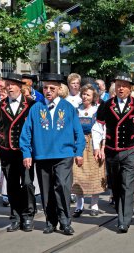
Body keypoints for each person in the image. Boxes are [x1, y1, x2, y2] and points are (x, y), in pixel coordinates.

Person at [20, 73, 85, 235]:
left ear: (59, 89)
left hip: (64, 155)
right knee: (46, 190)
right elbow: (26, 132)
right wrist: (26, 153)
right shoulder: (36, 108)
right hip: (42, 155)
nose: (48, 91)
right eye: (45, 88)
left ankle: (65, 221)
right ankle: (51, 221)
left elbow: (78, 132)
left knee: (62, 186)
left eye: (52, 88)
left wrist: (78, 151)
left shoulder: (68, 108)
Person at [92, 73, 134, 233]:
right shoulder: (106, 105)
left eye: (124, 85)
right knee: (115, 185)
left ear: (130, 88)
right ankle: (120, 211)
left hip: (130, 150)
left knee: (127, 184)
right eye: (118, 85)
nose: (121, 88)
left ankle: (124, 220)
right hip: (111, 151)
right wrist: (97, 146)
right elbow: (98, 127)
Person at [0, 73, 36, 232]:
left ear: (20, 87)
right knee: (12, 185)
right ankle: (15, 216)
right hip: (6, 152)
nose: (9, 87)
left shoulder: (32, 105)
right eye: (7, 84)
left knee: (28, 183)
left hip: (26, 153)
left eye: (12, 85)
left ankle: (28, 216)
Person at [72, 84, 106, 218]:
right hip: (79, 145)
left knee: (94, 175)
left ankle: (94, 205)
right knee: (78, 175)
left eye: (88, 95)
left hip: (94, 145)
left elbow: (103, 131)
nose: (85, 96)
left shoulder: (97, 110)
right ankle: (79, 206)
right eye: (84, 94)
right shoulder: (75, 110)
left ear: (93, 97)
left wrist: (102, 147)